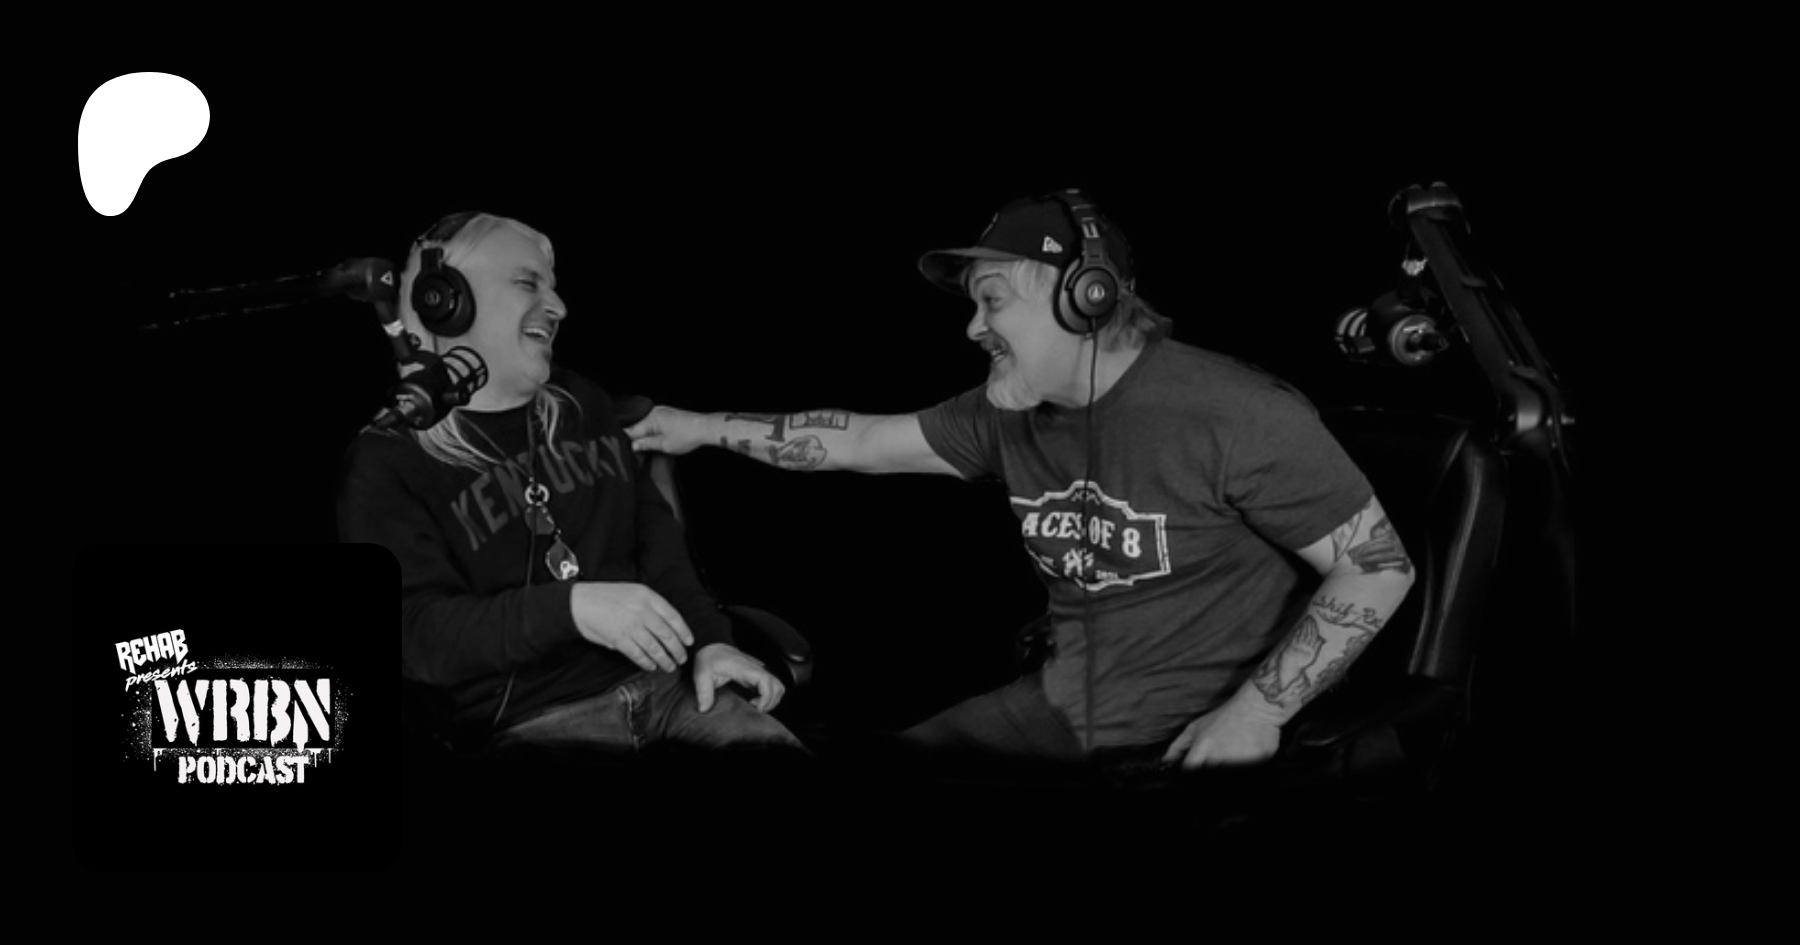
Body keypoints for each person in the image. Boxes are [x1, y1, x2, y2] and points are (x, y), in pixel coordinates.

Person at [625, 190, 1414, 784]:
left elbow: (1378, 566)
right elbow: (858, 440)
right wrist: (695, 425)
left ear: (1085, 296)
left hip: (1179, 735)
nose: (973, 327)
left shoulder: (1236, 413)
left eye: (993, 300)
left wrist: (1258, 713)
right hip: (1061, 707)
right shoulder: (1005, 413)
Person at [337, 211, 806, 765]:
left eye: (553, 288)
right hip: (536, 722)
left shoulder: (583, 402)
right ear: (444, 302)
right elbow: (414, 633)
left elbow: (654, 537)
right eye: (527, 283)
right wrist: (574, 608)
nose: (558, 307)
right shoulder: (386, 460)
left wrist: (711, 642)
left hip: (672, 691)